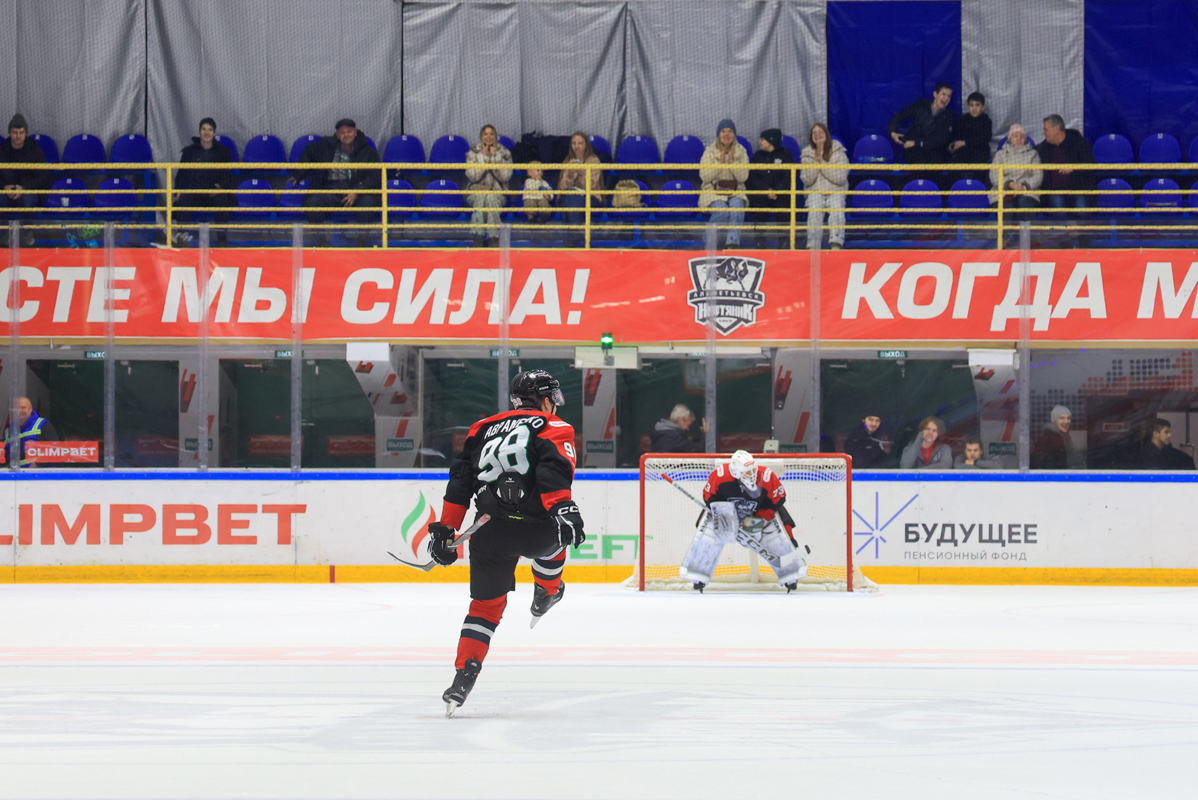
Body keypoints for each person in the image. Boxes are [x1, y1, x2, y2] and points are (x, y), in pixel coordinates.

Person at [428, 369, 584, 716]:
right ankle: (547, 591)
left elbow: (460, 483)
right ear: (545, 400)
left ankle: (463, 676)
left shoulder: (480, 428)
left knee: (484, 608)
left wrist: (447, 529)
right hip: (536, 529)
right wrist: (564, 508)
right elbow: (552, 473)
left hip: (490, 531)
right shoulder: (555, 425)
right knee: (559, 538)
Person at [680, 450, 806, 593]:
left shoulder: (766, 476)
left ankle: (791, 574)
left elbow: (778, 501)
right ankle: (697, 574)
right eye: (747, 472)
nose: (752, 475)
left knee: (773, 535)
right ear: (735, 472)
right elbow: (709, 499)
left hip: (757, 515)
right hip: (727, 515)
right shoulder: (721, 476)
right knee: (709, 533)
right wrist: (725, 516)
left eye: (753, 470)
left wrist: (758, 520)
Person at [295, 118, 381, 246]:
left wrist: (357, 191)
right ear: (337, 135)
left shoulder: (368, 152)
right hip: (330, 189)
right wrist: (298, 175)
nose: (346, 135)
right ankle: (320, 241)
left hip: (355, 190)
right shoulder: (325, 146)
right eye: (342, 133)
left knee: (368, 203)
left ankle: (362, 241)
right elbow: (308, 152)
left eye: (349, 131)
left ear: (355, 132)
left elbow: (375, 177)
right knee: (312, 202)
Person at [172, 117, 234, 247]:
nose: (207, 132)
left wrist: (220, 187)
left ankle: (222, 240)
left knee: (222, 199)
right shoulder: (189, 152)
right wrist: (178, 191)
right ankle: (182, 239)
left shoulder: (223, 152)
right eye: (204, 129)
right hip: (194, 192)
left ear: (214, 133)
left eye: (210, 130)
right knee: (183, 199)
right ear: (199, 132)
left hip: (212, 194)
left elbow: (228, 175)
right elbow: (181, 174)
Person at [888, 83, 957, 180]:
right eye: (943, 94)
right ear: (935, 94)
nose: (946, 99)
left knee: (935, 169)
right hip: (914, 152)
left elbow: (941, 139)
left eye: (949, 96)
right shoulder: (921, 105)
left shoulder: (949, 116)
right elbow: (899, 116)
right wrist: (893, 132)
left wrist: (917, 142)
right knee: (918, 169)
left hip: (934, 153)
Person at [699, 119, 749, 248]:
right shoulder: (709, 151)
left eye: (730, 131)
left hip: (735, 191)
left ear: (734, 134)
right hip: (713, 192)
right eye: (723, 131)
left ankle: (732, 244)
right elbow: (704, 176)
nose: (726, 134)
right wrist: (720, 164)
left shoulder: (741, 151)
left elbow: (743, 177)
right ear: (718, 134)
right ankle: (710, 242)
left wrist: (732, 162)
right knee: (721, 210)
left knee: (737, 208)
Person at [800, 123, 849, 250]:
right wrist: (817, 164)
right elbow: (807, 179)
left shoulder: (839, 151)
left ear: (826, 134)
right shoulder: (806, 154)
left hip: (835, 190)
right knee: (814, 211)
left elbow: (840, 177)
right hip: (815, 190)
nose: (817, 135)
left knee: (837, 209)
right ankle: (813, 246)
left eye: (820, 132)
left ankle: (836, 244)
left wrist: (822, 163)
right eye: (814, 133)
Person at [0, 114, 47, 246]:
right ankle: (3, 233)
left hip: (27, 191)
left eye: (21, 132)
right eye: (15, 132)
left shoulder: (36, 152)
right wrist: (4, 187)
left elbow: (42, 177)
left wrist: (24, 188)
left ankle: (27, 233)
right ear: (9, 133)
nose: (18, 136)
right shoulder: (1, 151)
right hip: (6, 191)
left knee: (28, 200)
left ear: (26, 133)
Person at [464, 124, 512, 247]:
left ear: (495, 136)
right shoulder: (473, 153)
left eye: (491, 134)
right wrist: (483, 158)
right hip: (475, 193)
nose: (488, 137)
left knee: (490, 198)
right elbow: (472, 176)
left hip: (498, 193)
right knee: (481, 197)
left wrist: (496, 158)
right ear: (481, 136)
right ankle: (480, 237)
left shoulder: (504, 153)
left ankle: (491, 238)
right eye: (485, 134)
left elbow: (505, 176)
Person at [1035, 115, 1095, 212]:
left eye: (1046, 129)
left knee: (1081, 207)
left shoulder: (1079, 143)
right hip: (1055, 193)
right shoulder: (1043, 149)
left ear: (1056, 128)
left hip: (1079, 191)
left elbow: (1091, 164)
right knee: (1058, 206)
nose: (1043, 133)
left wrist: (1074, 168)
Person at [557, 131, 604, 245]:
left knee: (570, 201)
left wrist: (581, 173)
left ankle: (572, 237)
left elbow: (591, 185)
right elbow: (562, 187)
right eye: (574, 143)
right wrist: (570, 174)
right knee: (568, 199)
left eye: (580, 143)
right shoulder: (568, 162)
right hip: (571, 197)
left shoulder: (594, 160)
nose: (576, 146)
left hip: (590, 197)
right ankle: (576, 236)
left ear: (586, 145)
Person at [989, 124, 1042, 223]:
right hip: (1003, 192)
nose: (1018, 139)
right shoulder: (1000, 154)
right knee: (1007, 208)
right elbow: (994, 175)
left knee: (1025, 204)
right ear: (1010, 139)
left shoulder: (1033, 154)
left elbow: (1038, 176)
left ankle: (1029, 233)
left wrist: (1023, 187)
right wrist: (1010, 184)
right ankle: (1006, 233)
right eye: (1015, 136)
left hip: (1027, 192)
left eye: (1021, 136)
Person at [746, 128, 794, 225]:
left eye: (762, 140)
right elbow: (753, 178)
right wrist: (766, 190)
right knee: (757, 203)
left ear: (770, 141)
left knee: (784, 204)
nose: (759, 142)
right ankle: (759, 234)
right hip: (762, 193)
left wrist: (776, 191)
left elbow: (788, 177)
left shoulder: (786, 156)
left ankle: (784, 234)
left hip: (780, 194)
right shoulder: (757, 156)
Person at [3, 396, 59, 468]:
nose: (19, 411)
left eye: (23, 407)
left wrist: (35, 466)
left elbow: (55, 451)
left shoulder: (43, 425)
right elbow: (5, 458)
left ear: (30, 409)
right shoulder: (8, 431)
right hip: (15, 474)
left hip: (40, 474)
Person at [950, 92, 993, 184]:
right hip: (963, 152)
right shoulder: (962, 120)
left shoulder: (986, 121)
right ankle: (955, 190)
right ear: (967, 106)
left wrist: (965, 142)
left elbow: (985, 139)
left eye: (977, 105)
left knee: (980, 170)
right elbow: (956, 135)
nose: (974, 108)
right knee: (954, 168)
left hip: (980, 152)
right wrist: (952, 145)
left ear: (983, 107)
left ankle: (980, 189)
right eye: (971, 105)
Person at [1030, 405, 1072, 470]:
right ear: (1054, 420)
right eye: (1062, 418)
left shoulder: (1056, 435)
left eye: (1068, 418)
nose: (1066, 421)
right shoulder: (1052, 438)